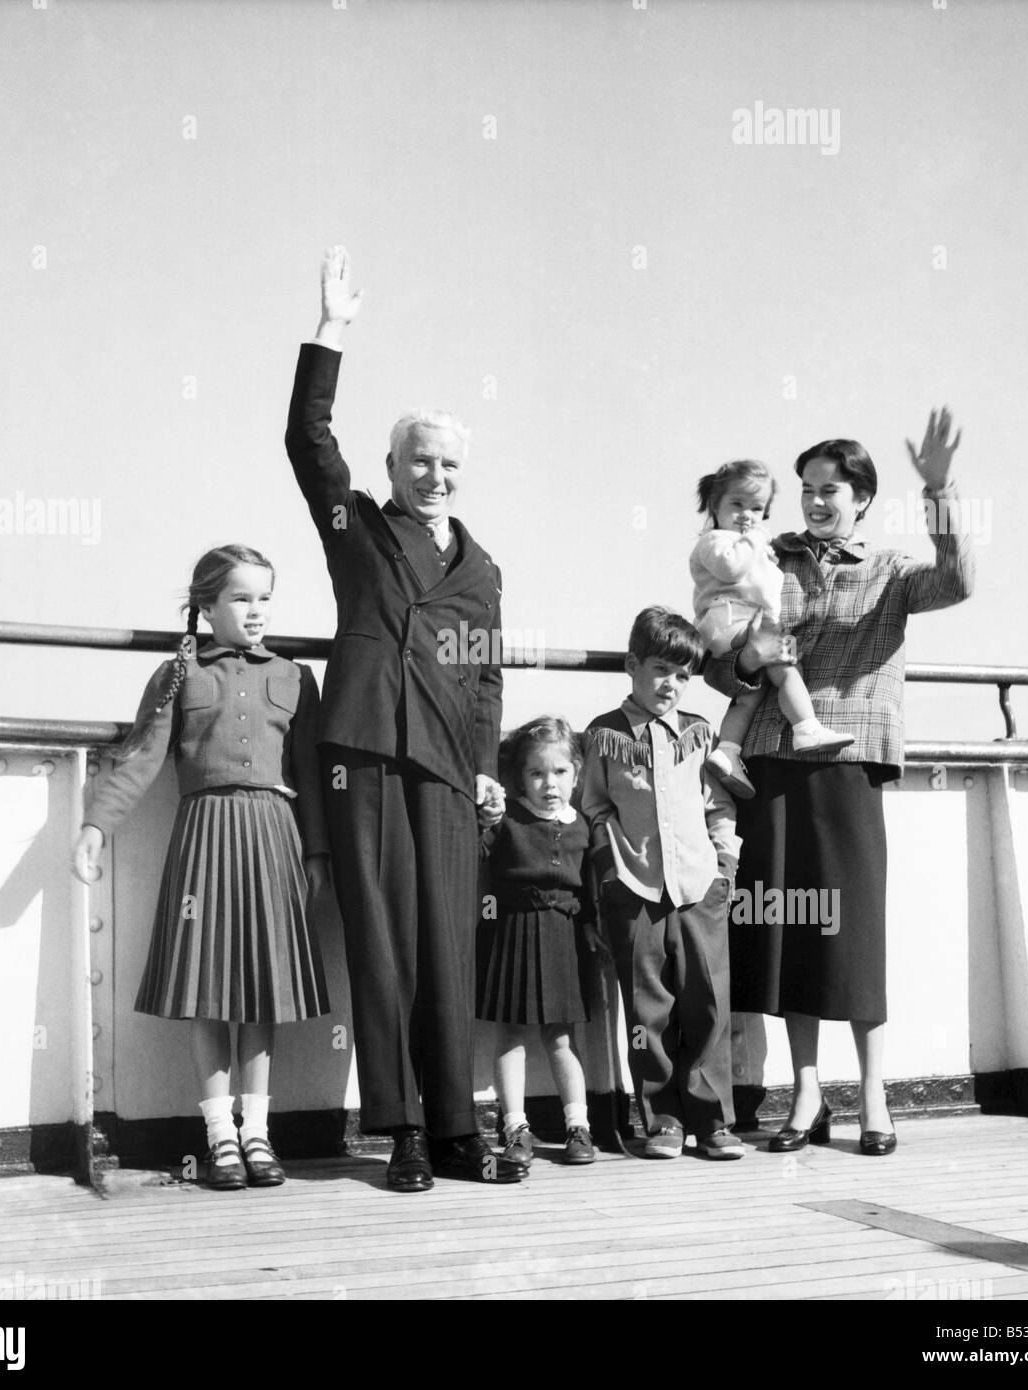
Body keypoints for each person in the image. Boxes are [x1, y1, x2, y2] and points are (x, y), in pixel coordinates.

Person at [284, 246, 526, 1191]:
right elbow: (306, 439)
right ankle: (401, 1130)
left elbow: (487, 677)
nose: (434, 475)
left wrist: (486, 762)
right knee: (381, 940)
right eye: (419, 460)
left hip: (445, 767)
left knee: (446, 943)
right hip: (362, 756)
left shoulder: (483, 567)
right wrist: (331, 330)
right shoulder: (357, 526)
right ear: (390, 465)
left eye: (449, 464)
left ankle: (458, 1127)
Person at [704, 409, 974, 1156]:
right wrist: (748, 661)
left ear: (861, 496)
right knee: (789, 929)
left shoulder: (887, 571)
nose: (815, 501)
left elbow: (957, 581)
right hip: (771, 762)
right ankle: (808, 1096)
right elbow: (719, 657)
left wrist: (941, 489)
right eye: (806, 489)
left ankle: (876, 1099)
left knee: (851, 938)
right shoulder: (768, 557)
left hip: (848, 764)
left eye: (831, 488)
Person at [71, 545, 330, 1190]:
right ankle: (219, 1138)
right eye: (242, 599)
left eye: (265, 598)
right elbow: (139, 758)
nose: (256, 611)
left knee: (266, 989)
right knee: (208, 989)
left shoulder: (297, 678)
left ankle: (259, 1134)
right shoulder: (177, 675)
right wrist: (97, 825)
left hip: (274, 837)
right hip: (204, 840)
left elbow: (315, 783)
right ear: (206, 605)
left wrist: (319, 852)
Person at [581, 607, 745, 1159]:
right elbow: (594, 810)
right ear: (632, 666)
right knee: (648, 1011)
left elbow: (718, 805)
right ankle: (664, 1120)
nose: (670, 685)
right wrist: (612, 878)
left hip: (701, 889)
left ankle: (714, 1120)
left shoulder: (699, 733)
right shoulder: (604, 735)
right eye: (659, 670)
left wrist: (724, 870)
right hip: (636, 890)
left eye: (682, 675)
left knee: (708, 1004)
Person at [691, 458, 853, 799]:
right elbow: (731, 567)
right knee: (787, 665)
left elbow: (762, 583)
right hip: (729, 618)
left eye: (756, 508)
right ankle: (806, 727)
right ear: (714, 505)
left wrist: (763, 557)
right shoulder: (715, 541)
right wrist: (754, 544)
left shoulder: (754, 547)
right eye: (736, 504)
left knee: (751, 692)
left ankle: (728, 749)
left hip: (747, 621)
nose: (746, 515)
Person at [477, 717, 598, 1167]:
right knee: (511, 1035)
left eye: (560, 772)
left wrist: (590, 928)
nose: (550, 784)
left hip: (562, 937)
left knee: (561, 1038)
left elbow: (586, 889)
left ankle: (577, 1126)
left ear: (576, 773)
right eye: (537, 773)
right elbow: (474, 853)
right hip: (511, 932)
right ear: (520, 778)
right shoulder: (506, 820)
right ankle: (514, 1126)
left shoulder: (582, 826)